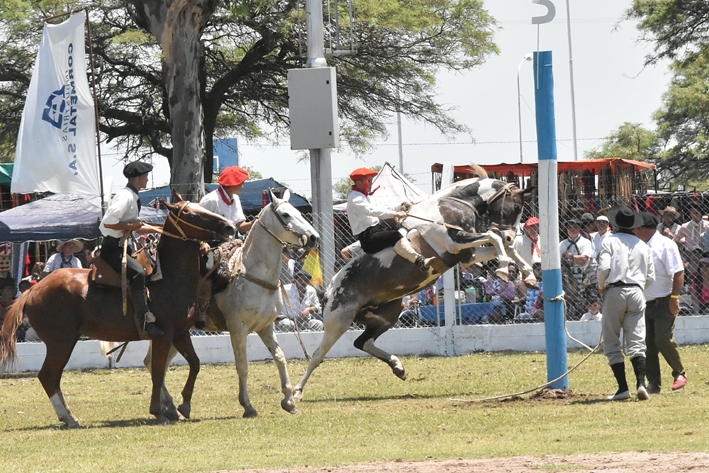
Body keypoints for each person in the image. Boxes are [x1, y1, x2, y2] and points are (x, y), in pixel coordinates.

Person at [597, 205, 655, 401]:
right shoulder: (643, 245)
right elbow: (651, 277)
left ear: (614, 223)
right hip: (637, 291)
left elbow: (604, 267)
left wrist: (601, 286)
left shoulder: (609, 241)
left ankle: (623, 388)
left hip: (614, 290)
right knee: (637, 341)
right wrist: (638, 287)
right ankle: (641, 383)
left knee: (612, 341)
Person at [99, 161, 162, 337]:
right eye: (146, 176)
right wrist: (130, 225)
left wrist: (159, 229)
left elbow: (135, 226)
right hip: (113, 249)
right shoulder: (126, 196)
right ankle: (143, 322)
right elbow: (108, 222)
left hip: (122, 247)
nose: (148, 180)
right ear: (139, 178)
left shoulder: (132, 195)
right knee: (139, 273)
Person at [635, 211, 688, 393]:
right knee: (648, 345)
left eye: (635, 227)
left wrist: (675, 297)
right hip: (645, 303)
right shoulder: (638, 246)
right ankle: (654, 384)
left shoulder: (665, 245)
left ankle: (679, 373)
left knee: (662, 339)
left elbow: (678, 272)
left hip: (665, 301)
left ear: (642, 228)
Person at [346, 167, 432, 271]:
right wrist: (394, 214)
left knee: (403, 229)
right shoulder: (356, 199)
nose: (371, 184)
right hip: (368, 238)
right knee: (395, 236)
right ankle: (420, 261)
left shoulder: (366, 197)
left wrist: (401, 206)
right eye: (369, 181)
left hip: (377, 230)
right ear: (359, 182)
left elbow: (382, 208)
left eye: (372, 181)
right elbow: (373, 211)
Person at [199, 165, 253, 235]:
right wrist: (203, 242)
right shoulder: (211, 200)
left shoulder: (235, 199)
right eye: (241, 183)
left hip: (229, 243)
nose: (242, 187)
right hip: (211, 243)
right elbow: (198, 224)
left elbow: (241, 227)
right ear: (234, 184)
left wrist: (254, 222)